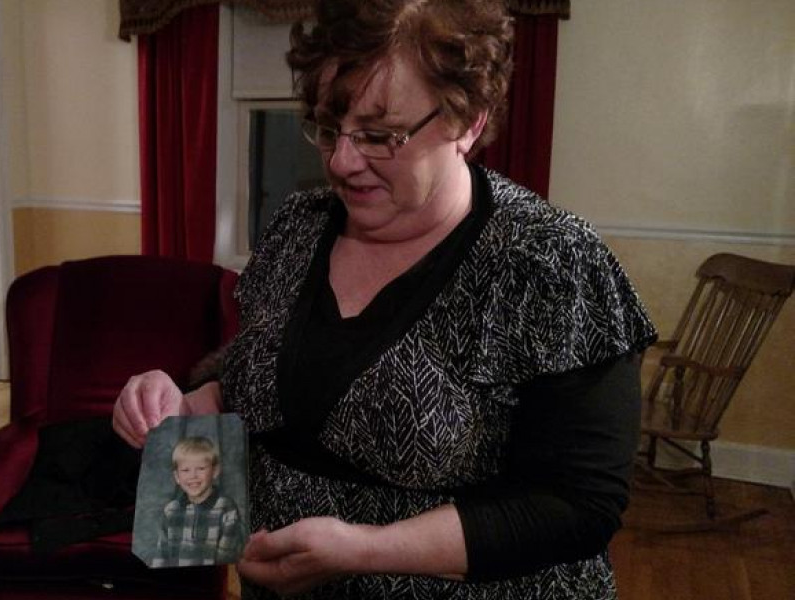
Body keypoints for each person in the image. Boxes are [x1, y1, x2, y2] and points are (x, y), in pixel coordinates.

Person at [115, 0, 656, 597]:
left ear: (468, 119)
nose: (342, 162)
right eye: (328, 127)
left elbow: (577, 505)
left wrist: (362, 550)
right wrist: (184, 406)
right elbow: (263, 386)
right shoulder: (298, 227)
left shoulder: (554, 264)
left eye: (378, 135)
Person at [151, 436, 245, 567]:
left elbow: (227, 557)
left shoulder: (226, 508)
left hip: (209, 580)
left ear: (215, 471)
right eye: (185, 470)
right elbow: (161, 555)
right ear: (177, 477)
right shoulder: (171, 510)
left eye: (201, 468)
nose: (193, 476)